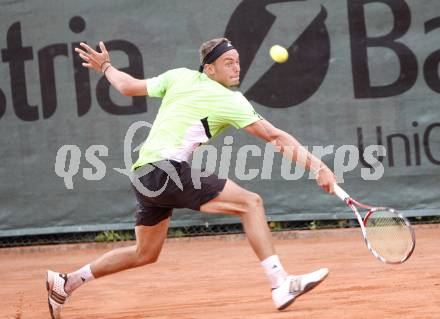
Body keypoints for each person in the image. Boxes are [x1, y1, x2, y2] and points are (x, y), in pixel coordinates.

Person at [46, 37, 337, 319]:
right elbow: (275, 137)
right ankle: (280, 283)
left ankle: (67, 282)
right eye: (228, 62)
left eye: (237, 62)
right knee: (251, 203)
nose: (236, 68)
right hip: (164, 169)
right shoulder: (229, 100)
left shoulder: (179, 77)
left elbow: (126, 86)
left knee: (145, 253)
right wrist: (318, 167)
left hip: (142, 175)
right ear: (209, 68)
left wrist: (106, 67)